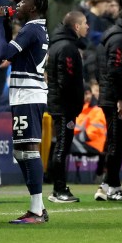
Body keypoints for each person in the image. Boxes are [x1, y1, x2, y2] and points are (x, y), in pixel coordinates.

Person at [0, 0, 50, 223]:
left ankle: (36, 210)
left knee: (28, 149)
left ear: (34, 7)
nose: (19, 4)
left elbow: (5, 54)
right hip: (24, 94)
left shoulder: (31, 29)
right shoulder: (36, 29)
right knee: (20, 150)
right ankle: (39, 206)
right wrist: (3, 23)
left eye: (24, 1)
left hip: (28, 94)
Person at [45, 10, 88, 203]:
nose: (88, 26)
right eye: (85, 23)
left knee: (61, 146)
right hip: (64, 106)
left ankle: (60, 187)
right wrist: (75, 102)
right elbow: (67, 80)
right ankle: (59, 189)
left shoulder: (58, 45)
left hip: (60, 103)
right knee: (62, 147)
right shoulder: (67, 48)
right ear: (76, 26)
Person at [94, 10, 122, 202]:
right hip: (115, 99)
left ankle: (105, 185)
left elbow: (98, 68)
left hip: (107, 96)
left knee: (113, 142)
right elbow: (116, 70)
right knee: (116, 143)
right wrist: (120, 99)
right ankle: (113, 186)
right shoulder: (120, 39)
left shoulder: (108, 37)